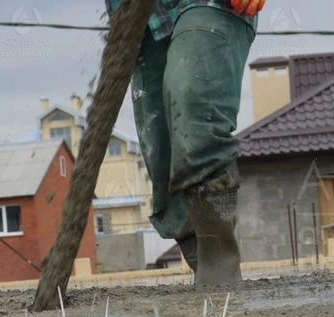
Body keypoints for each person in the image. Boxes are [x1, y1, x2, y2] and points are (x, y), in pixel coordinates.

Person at [104, 0, 266, 285]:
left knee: (194, 113)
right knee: (162, 153)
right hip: (139, 15)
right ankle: (204, 278)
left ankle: (220, 280)